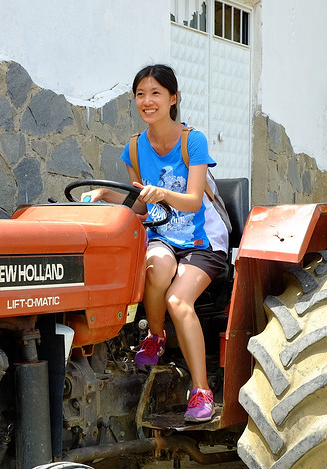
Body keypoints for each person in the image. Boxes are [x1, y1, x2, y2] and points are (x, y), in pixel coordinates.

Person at [84, 64, 229, 423]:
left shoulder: (191, 140)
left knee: (179, 301)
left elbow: (194, 200)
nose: (147, 101)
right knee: (155, 266)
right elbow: (141, 208)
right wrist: (104, 193)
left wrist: (163, 191)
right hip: (163, 235)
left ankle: (201, 392)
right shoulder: (134, 149)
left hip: (201, 238)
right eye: (140, 94)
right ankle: (156, 336)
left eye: (155, 93)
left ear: (172, 98)